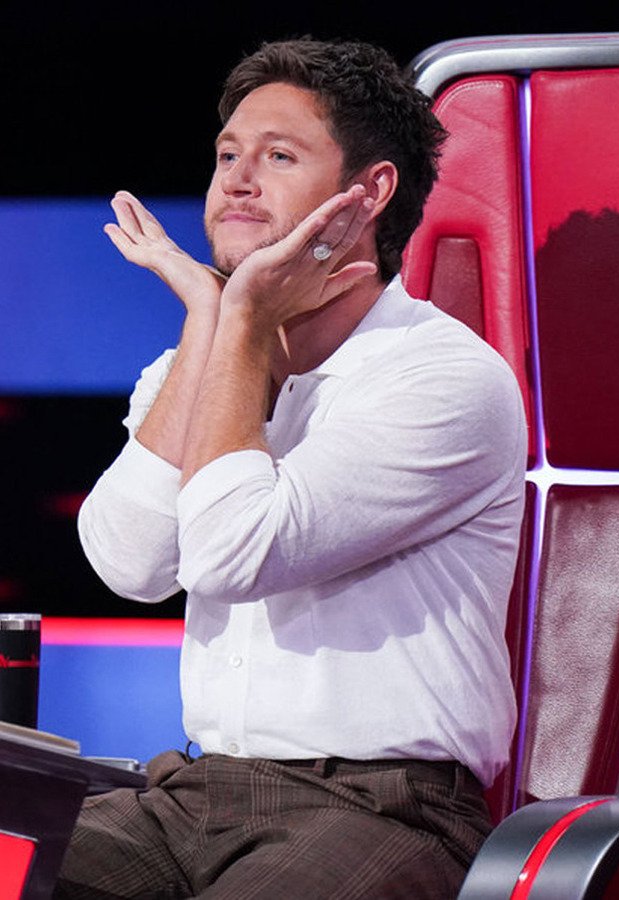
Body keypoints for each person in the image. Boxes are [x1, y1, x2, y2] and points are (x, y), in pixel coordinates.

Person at [64, 38, 526, 899]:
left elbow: (232, 557)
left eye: (278, 157)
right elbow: (130, 566)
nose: (238, 181)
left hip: (384, 808)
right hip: (195, 792)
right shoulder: (200, 358)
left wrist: (236, 323)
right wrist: (209, 325)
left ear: (370, 192)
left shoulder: (443, 378)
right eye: (227, 155)